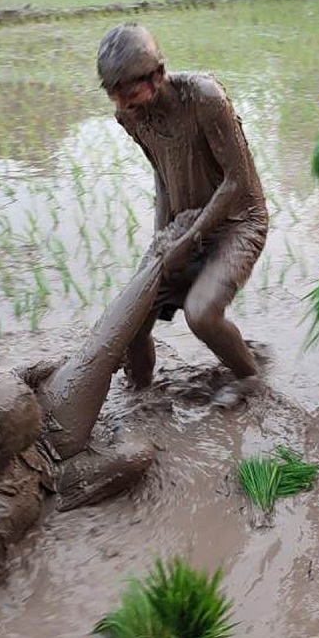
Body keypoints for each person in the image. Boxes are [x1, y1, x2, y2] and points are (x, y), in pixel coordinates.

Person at [98, 23, 268, 406]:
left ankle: (250, 378)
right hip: (183, 222)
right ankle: (138, 393)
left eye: (129, 94)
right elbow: (160, 173)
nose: (122, 105)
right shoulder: (130, 117)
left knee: (201, 313)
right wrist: (162, 241)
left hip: (239, 221)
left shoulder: (206, 98)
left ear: (158, 74)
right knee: (133, 319)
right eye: (114, 96)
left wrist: (188, 241)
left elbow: (237, 181)